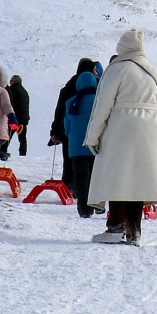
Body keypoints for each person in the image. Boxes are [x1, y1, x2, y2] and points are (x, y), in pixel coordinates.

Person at [84, 29, 157, 245]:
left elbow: (102, 106)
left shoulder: (116, 69)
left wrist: (93, 136)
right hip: (150, 130)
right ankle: (134, 231)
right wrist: (150, 113)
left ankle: (115, 228)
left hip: (121, 127)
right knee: (139, 180)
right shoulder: (154, 71)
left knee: (119, 176)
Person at [49, 58, 96, 189]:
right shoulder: (95, 89)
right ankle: (86, 192)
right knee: (89, 164)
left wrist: (54, 132)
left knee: (69, 163)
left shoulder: (68, 88)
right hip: (91, 132)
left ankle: (67, 188)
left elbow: (59, 112)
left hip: (67, 131)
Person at [64, 65, 101, 216]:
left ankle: (84, 209)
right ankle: (98, 204)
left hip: (76, 147)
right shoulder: (99, 101)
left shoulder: (71, 102)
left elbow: (67, 126)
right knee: (95, 176)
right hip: (96, 145)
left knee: (80, 177)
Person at [8, 75, 31, 156]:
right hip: (24, 119)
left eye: (11, 80)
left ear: (14, 81)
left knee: (8, 135)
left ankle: (2, 151)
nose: (9, 82)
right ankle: (23, 153)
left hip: (15, 119)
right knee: (22, 138)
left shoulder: (12, 90)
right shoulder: (24, 91)